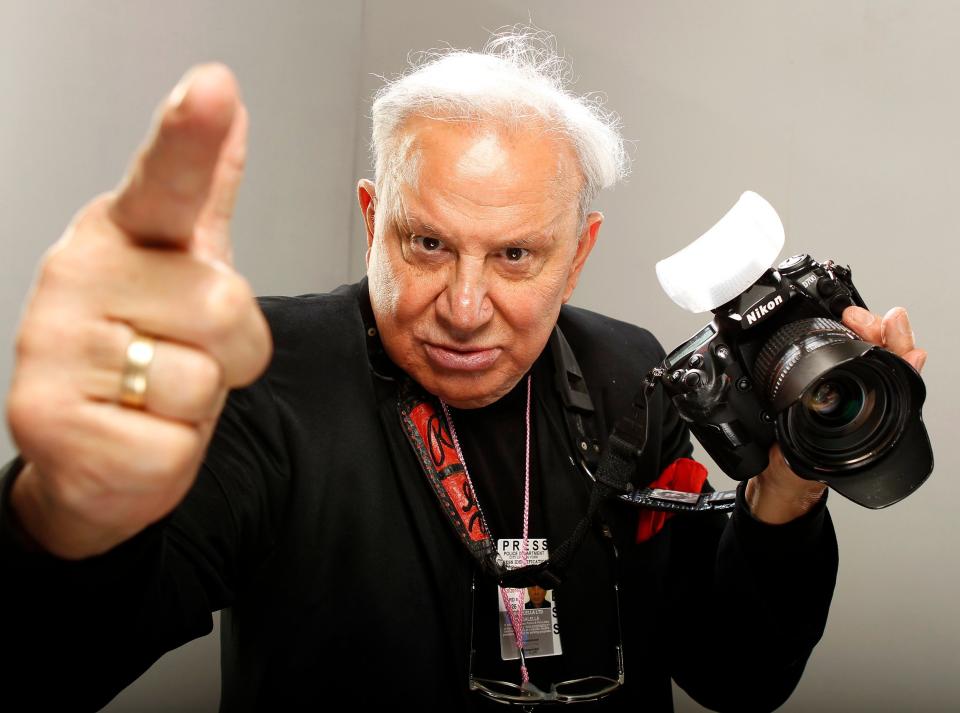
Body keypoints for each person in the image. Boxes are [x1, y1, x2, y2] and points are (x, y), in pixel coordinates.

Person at [0, 30, 927, 711]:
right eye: (428, 243)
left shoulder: (630, 372)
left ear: (579, 252)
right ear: (373, 218)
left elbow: (739, 673)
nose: (466, 304)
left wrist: (793, 482)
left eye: (518, 256)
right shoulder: (262, 373)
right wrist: (69, 511)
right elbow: (45, 664)